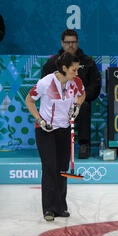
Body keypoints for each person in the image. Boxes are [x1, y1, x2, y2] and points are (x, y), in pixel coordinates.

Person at [26, 52, 86, 221]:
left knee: (62, 168)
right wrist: (39, 119)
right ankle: (49, 209)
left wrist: (77, 106)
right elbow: (29, 100)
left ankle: (60, 207)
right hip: (46, 129)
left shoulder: (76, 82)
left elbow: (82, 95)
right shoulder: (45, 83)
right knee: (50, 167)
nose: (76, 73)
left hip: (64, 129)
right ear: (64, 68)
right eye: (74, 70)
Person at [41, 29, 101, 159]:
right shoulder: (52, 63)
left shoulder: (87, 62)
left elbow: (95, 85)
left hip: (78, 101)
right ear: (62, 43)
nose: (70, 45)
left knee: (84, 106)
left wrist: (80, 97)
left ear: (78, 43)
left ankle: (84, 144)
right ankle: (54, 145)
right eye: (67, 42)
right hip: (57, 102)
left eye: (73, 42)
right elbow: (44, 85)